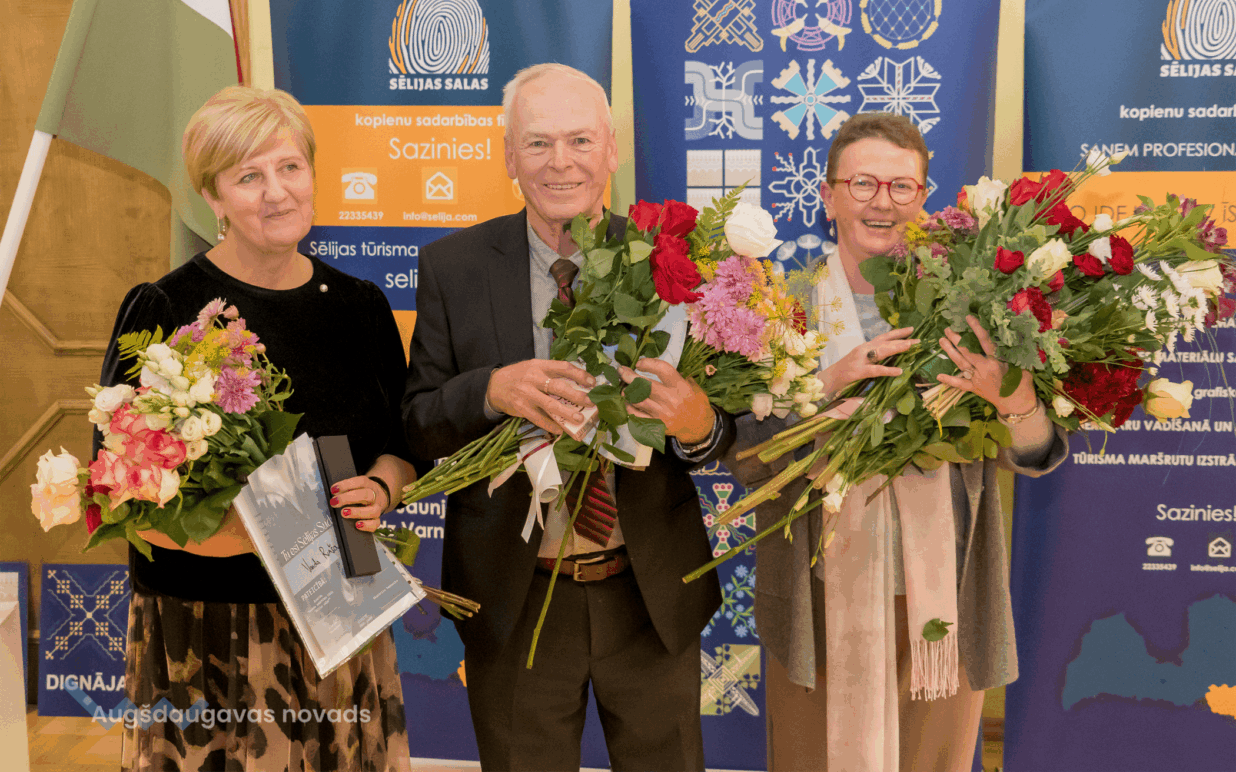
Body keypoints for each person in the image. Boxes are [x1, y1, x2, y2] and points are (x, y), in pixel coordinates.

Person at [402, 63, 735, 771]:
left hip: (649, 597)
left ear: (612, 151)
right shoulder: (453, 268)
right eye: (538, 142)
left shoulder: (672, 266)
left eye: (580, 140)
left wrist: (697, 422)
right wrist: (490, 390)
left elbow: (723, 431)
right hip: (515, 600)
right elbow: (419, 424)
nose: (561, 162)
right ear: (508, 157)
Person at [723, 113, 1069, 772]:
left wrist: (1013, 398)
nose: (882, 202)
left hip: (944, 600)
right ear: (827, 197)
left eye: (901, 186)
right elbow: (742, 456)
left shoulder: (968, 306)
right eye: (863, 184)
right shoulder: (777, 305)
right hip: (816, 603)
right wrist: (827, 383)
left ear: (923, 199)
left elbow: (1035, 452)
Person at [99, 85, 416, 771]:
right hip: (205, 632)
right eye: (248, 176)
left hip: (340, 622)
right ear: (212, 198)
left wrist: (382, 489)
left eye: (289, 167)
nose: (276, 192)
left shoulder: (360, 306)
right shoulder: (165, 308)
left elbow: (401, 446)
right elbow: (116, 494)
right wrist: (258, 537)